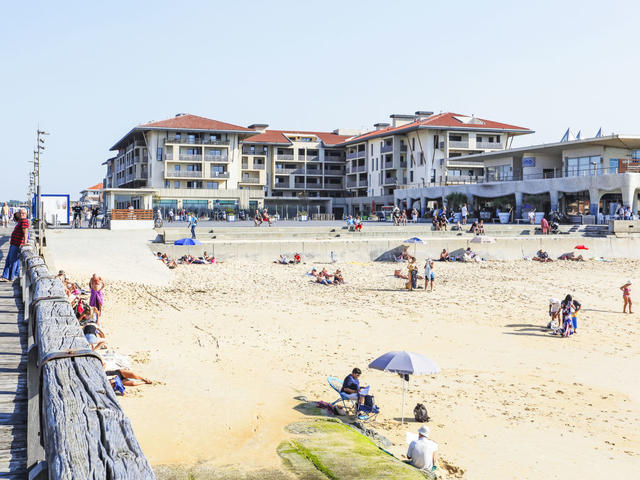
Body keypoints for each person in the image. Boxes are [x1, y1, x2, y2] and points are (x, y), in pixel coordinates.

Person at [1, 208, 28, 282]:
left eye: (23, 214)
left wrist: (25, 243)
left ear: (26, 214)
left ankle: (8, 277)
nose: (22, 215)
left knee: (11, 261)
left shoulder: (24, 221)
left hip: (17, 244)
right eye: (21, 213)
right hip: (14, 243)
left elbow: (25, 233)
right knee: (12, 260)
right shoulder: (21, 221)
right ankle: (12, 275)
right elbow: (15, 215)